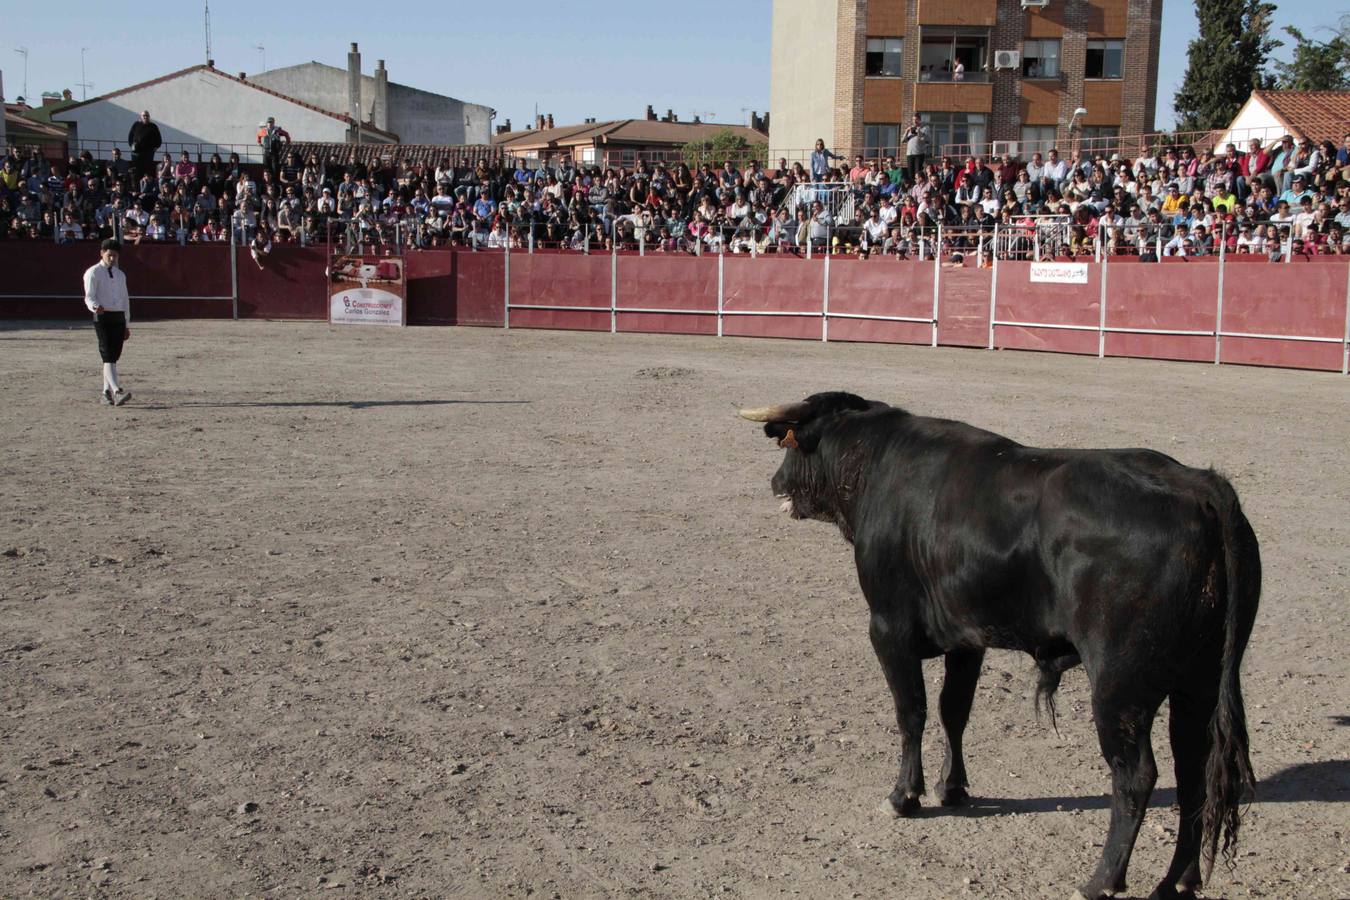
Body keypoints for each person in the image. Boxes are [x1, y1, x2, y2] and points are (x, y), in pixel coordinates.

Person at [82, 239, 133, 406]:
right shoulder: (93, 272)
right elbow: (89, 296)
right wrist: (94, 306)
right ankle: (117, 391)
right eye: (109, 255)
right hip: (102, 316)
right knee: (108, 354)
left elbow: (125, 299)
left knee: (112, 357)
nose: (112, 259)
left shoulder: (120, 275)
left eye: (115, 256)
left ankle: (105, 393)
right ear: (102, 253)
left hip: (118, 316)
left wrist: (126, 324)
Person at [127, 110, 163, 183]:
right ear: (141, 117)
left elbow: (159, 139)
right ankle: (137, 186)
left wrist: (156, 147)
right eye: (144, 115)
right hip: (136, 153)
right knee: (136, 170)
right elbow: (130, 136)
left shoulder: (153, 126)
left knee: (147, 170)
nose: (145, 117)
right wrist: (131, 145)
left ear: (149, 117)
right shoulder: (136, 124)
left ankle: (146, 186)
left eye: (147, 115)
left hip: (148, 153)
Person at [902, 114, 930, 186]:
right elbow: (902, 140)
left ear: (919, 120)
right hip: (910, 154)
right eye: (913, 119)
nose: (915, 121)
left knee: (918, 173)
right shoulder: (910, 130)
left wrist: (919, 132)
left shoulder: (924, 129)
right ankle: (912, 187)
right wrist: (907, 131)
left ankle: (919, 186)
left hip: (919, 153)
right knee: (910, 173)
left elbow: (926, 140)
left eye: (916, 119)